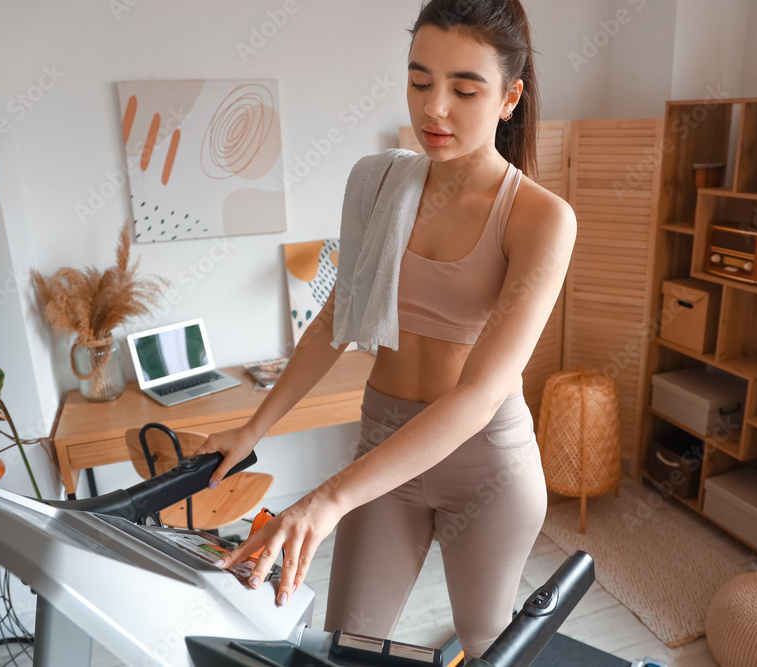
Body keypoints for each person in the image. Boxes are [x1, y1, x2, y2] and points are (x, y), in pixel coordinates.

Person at [196, 0, 576, 658]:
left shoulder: (540, 218)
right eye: (420, 80)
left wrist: (325, 497)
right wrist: (252, 427)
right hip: (384, 443)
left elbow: (480, 393)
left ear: (510, 96)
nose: (434, 109)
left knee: (487, 644)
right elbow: (336, 322)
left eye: (465, 88)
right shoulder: (378, 184)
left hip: (487, 462)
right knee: (346, 644)